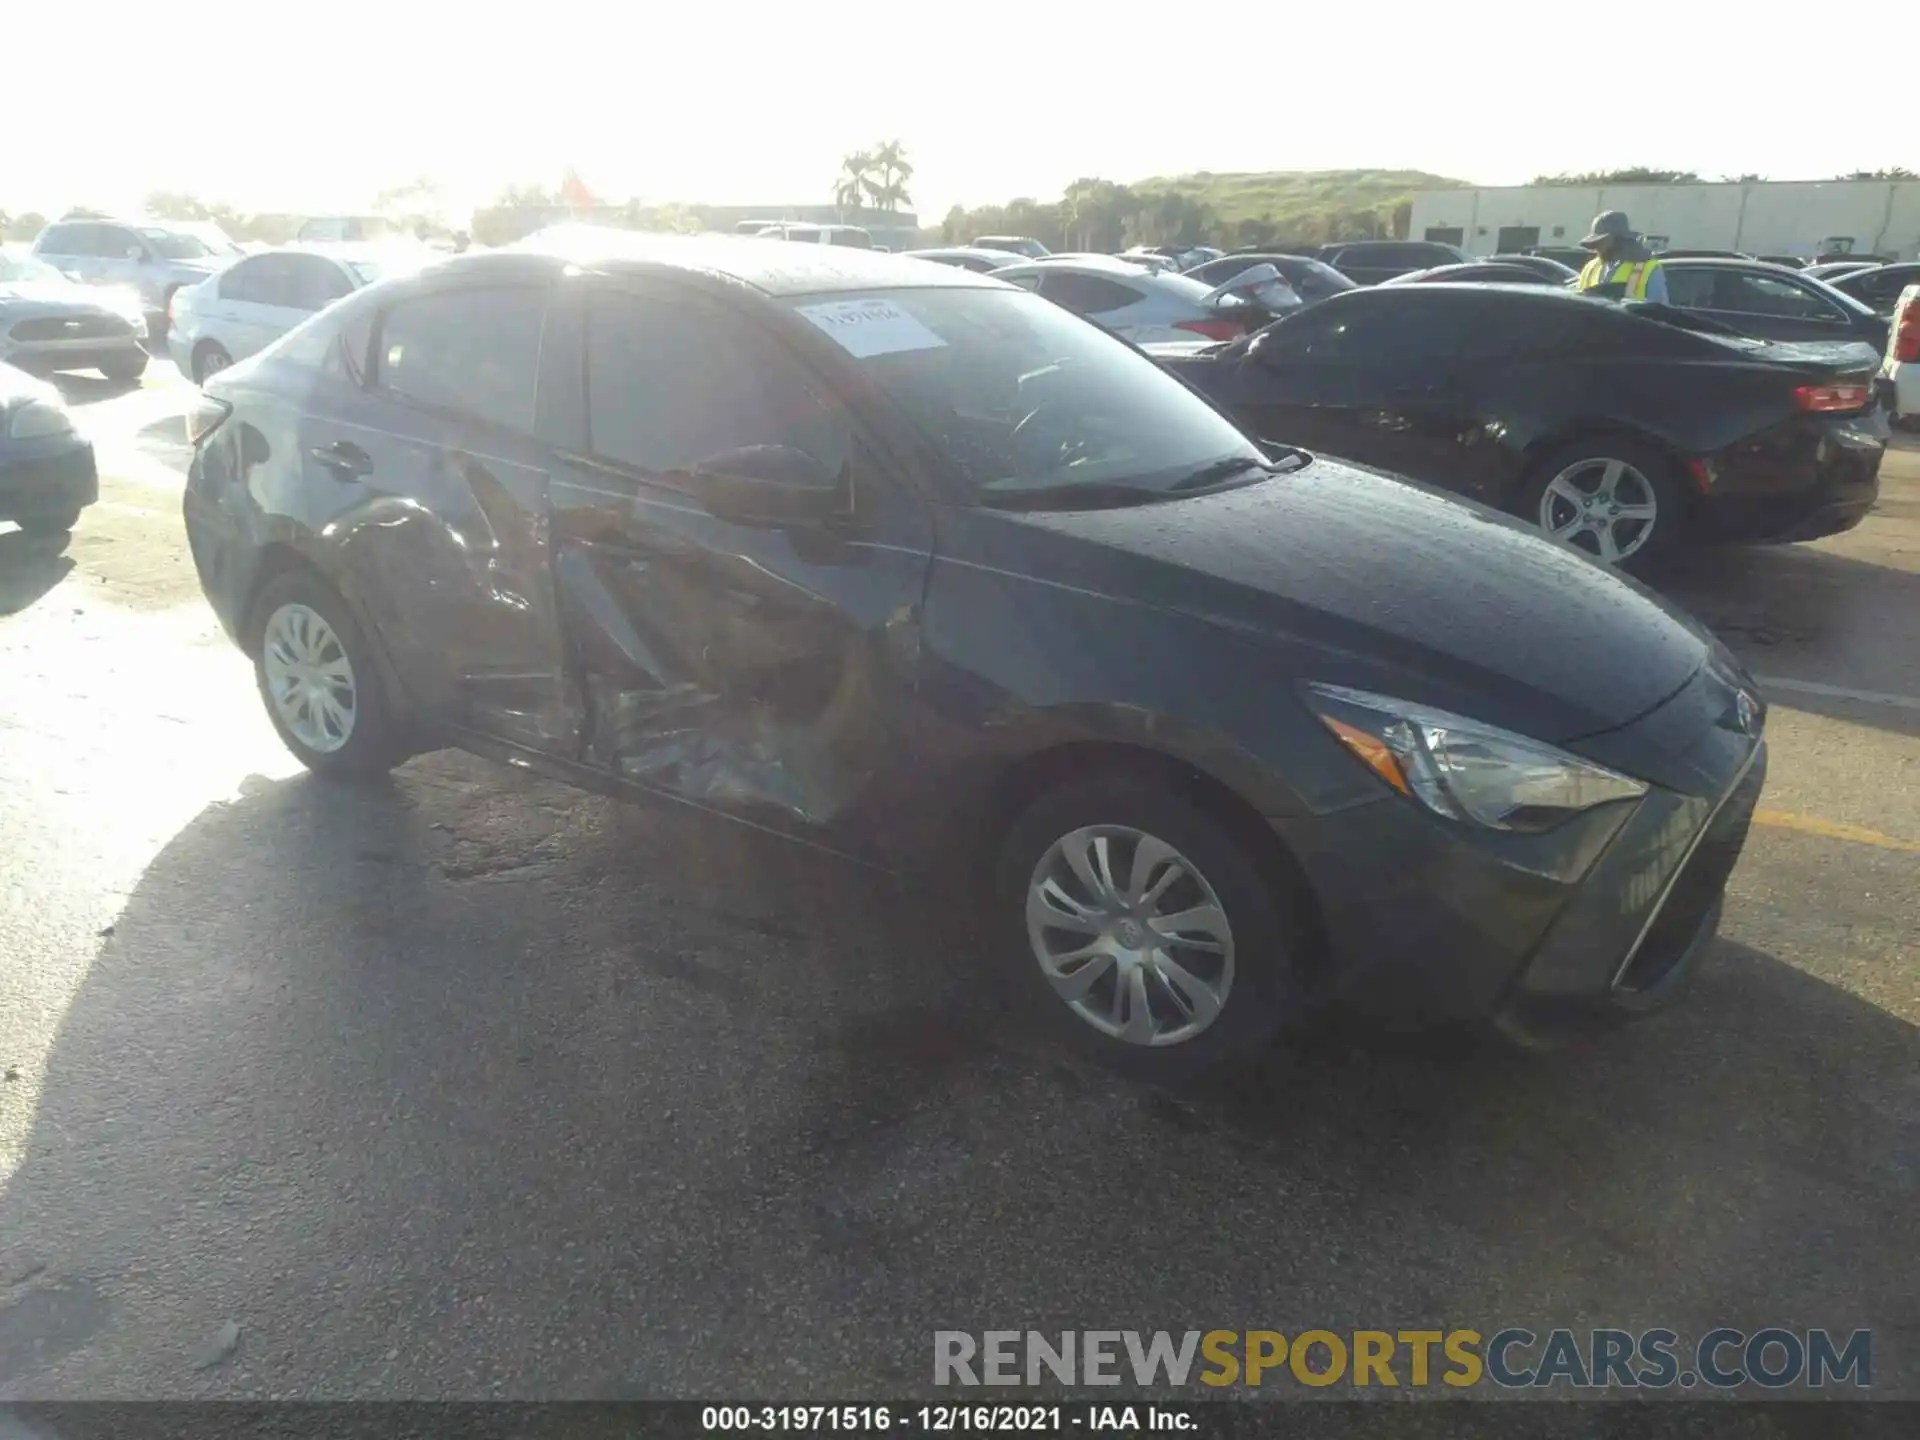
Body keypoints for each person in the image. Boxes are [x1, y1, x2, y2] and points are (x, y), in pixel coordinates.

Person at [1575, 211, 1668, 304]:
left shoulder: (1648, 268)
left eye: (1602, 241)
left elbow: (1659, 312)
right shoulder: (1590, 268)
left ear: (1618, 239)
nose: (1597, 246)